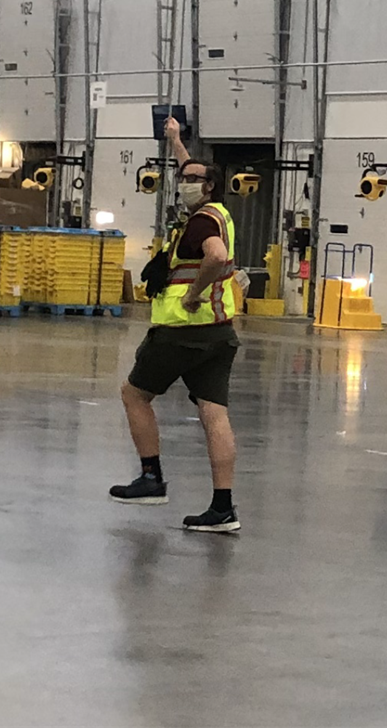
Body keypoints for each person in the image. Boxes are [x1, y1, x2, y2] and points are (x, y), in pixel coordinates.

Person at [110, 117, 240, 533]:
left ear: (208, 188)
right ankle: (223, 508)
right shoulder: (218, 212)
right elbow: (195, 172)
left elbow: (216, 257)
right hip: (218, 333)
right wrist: (176, 142)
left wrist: (191, 293)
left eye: (191, 179)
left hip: (181, 332)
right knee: (214, 415)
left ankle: (151, 478)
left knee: (134, 394)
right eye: (181, 176)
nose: (182, 181)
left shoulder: (202, 222)